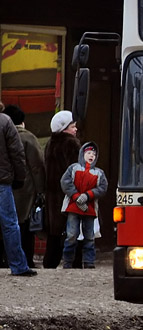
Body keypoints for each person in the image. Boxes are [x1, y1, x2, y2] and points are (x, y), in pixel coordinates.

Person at [3, 105, 45, 269]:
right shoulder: (28, 138)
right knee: (25, 226)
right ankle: (25, 259)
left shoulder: (3, 135)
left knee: (6, 224)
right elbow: (36, 166)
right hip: (25, 190)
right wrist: (41, 190)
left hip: (6, 187)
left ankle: (7, 258)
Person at [59, 141, 108, 269]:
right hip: (73, 207)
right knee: (71, 235)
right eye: (89, 153)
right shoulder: (73, 168)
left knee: (89, 237)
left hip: (89, 209)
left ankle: (89, 262)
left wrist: (88, 195)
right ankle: (67, 262)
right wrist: (75, 196)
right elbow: (65, 182)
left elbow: (102, 188)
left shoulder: (99, 173)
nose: (91, 155)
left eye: (94, 154)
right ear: (83, 154)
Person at [43, 110, 81, 268]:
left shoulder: (50, 144)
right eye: (73, 126)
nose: (75, 129)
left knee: (55, 230)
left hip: (53, 194)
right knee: (75, 227)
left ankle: (50, 261)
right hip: (70, 192)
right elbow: (77, 170)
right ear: (65, 128)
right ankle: (75, 262)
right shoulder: (71, 144)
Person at [0, 105, 34, 276]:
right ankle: (18, 265)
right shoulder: (5, 121)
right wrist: (20, 178)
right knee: (10, 225)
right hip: (2, 182)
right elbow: (17, 152)